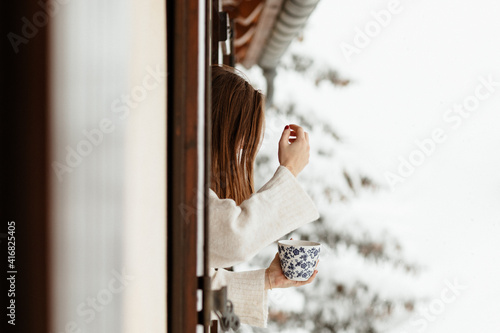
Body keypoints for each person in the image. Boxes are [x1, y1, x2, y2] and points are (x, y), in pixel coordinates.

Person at [209, 65, 320, 327]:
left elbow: (192, 287)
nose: (240, 151)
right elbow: (235, 236)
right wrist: (289, 171)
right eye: (240, 140)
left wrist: (268, 280)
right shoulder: (178, 178)